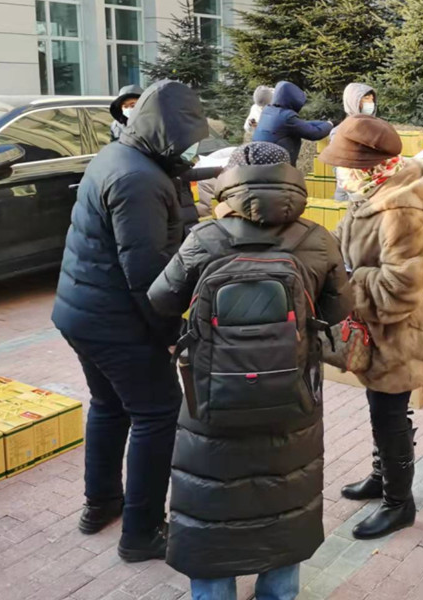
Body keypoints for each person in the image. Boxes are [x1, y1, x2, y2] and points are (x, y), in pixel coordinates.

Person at [147, 141, 352, 600]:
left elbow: (160, 299)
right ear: (292, 181)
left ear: (229, 184)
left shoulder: (205, 238)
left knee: (210, 502)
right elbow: (339, 310)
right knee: (286, 498)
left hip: (213, 396)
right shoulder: (318, 238)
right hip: (291, 395)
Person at [51, 80, 208, 561]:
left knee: (109, 404)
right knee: (157, 413)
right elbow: (146, 275)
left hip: (82, 312)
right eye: (186, 141)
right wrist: (170, 334)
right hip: (115, 321)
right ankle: (141, 532)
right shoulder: (139, 179)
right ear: (164, 133)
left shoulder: (119, 156)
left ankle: (100, 504)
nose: (191, 150)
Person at [319, 115, 423, 539]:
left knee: (388, 414)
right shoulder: (370, 196)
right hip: (378, 331)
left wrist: (348, 279)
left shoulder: (401, 212)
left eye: (344, 167)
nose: (338, 174)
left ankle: (398, 502)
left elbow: (401, 289)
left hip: (401, 335)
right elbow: (340, 246)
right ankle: (382, 477)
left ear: (367, 167)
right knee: (382, 410)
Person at [253, 81, 333, 166]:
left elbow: (302, 125)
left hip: (259, 164)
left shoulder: (268, 110)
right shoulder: (286, 117)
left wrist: (325, 123)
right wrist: (331, 124)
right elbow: (315, 133)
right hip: (278, 168)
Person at [332, 83, 377, 201]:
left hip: (372, 193)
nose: (370, 103)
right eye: (366, 98)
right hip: (350, 197)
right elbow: (342, 169)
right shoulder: (340, 131)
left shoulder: (374, 129)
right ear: (354, 101)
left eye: (372, 99)